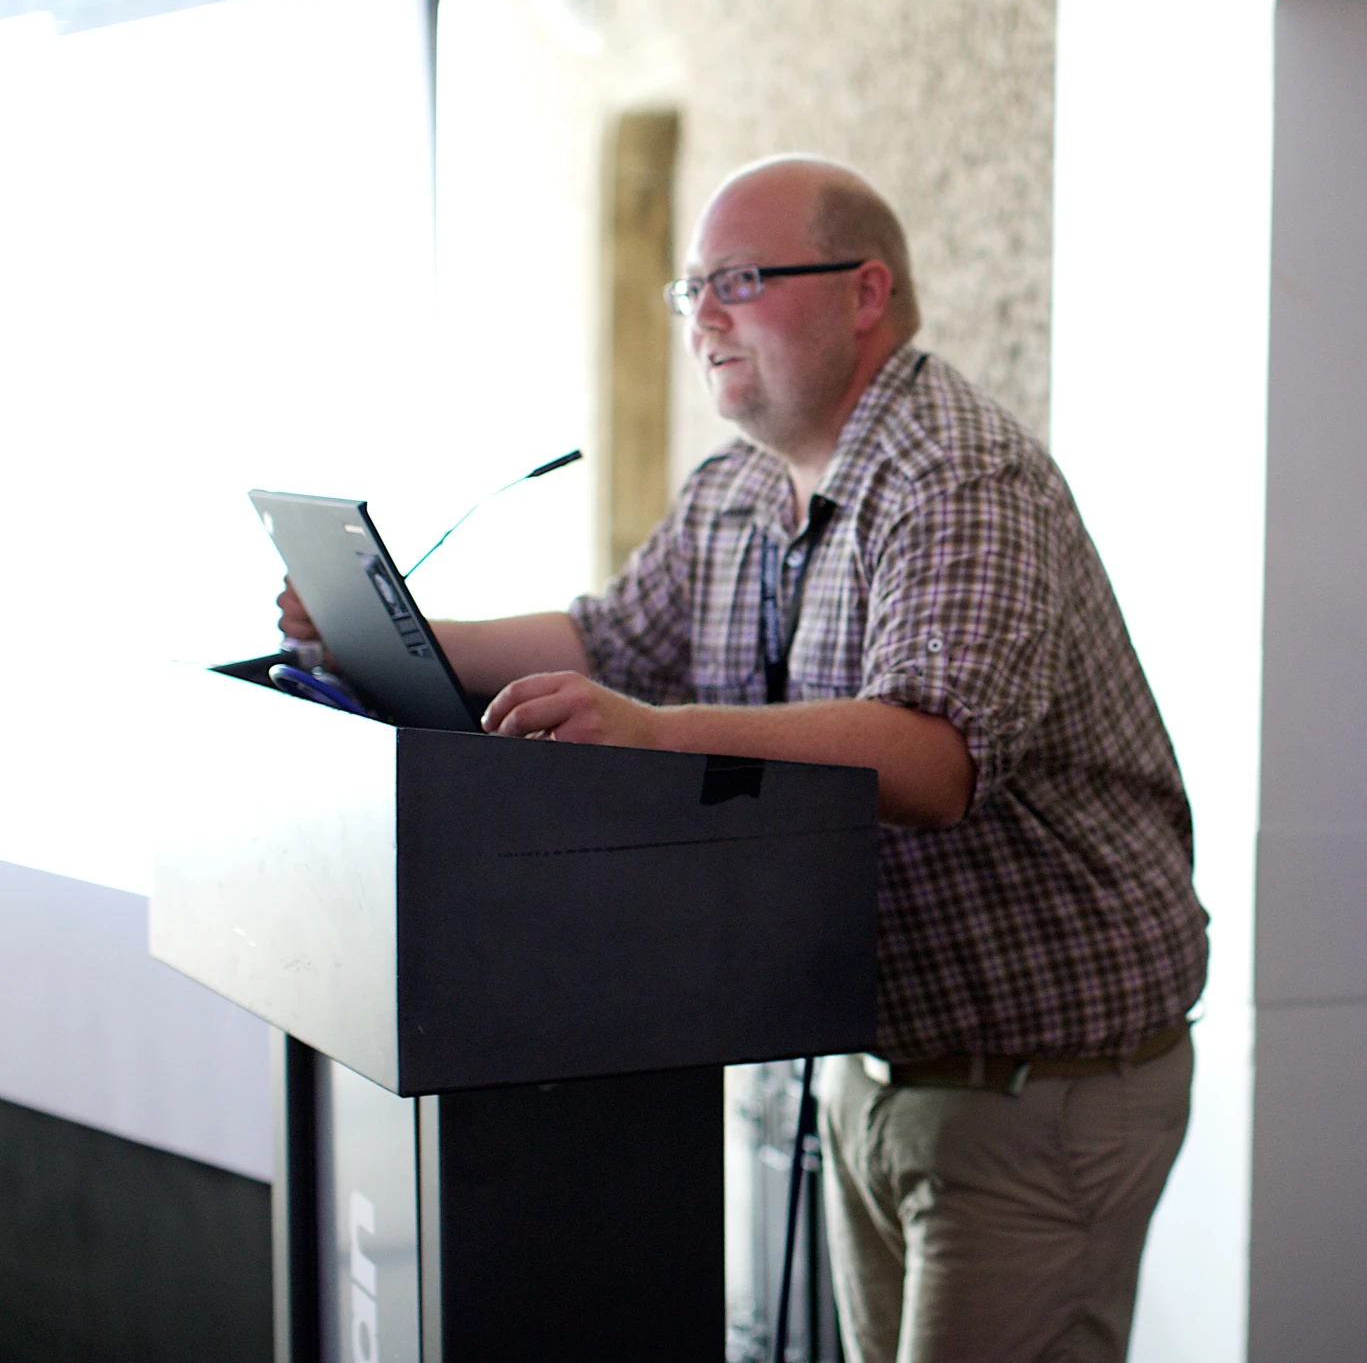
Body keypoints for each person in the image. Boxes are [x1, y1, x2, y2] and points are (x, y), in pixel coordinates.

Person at [281, 156, 1208, 1363]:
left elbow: (933, 757)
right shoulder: (736, 489)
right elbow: (614, 638)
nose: (704, 314)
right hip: (883, 1072)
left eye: (742, 279)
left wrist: (655, 730)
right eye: (692, 288)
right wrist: (383, 638)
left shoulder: (957, 479)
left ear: (866, 293)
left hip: (1040, 1084)